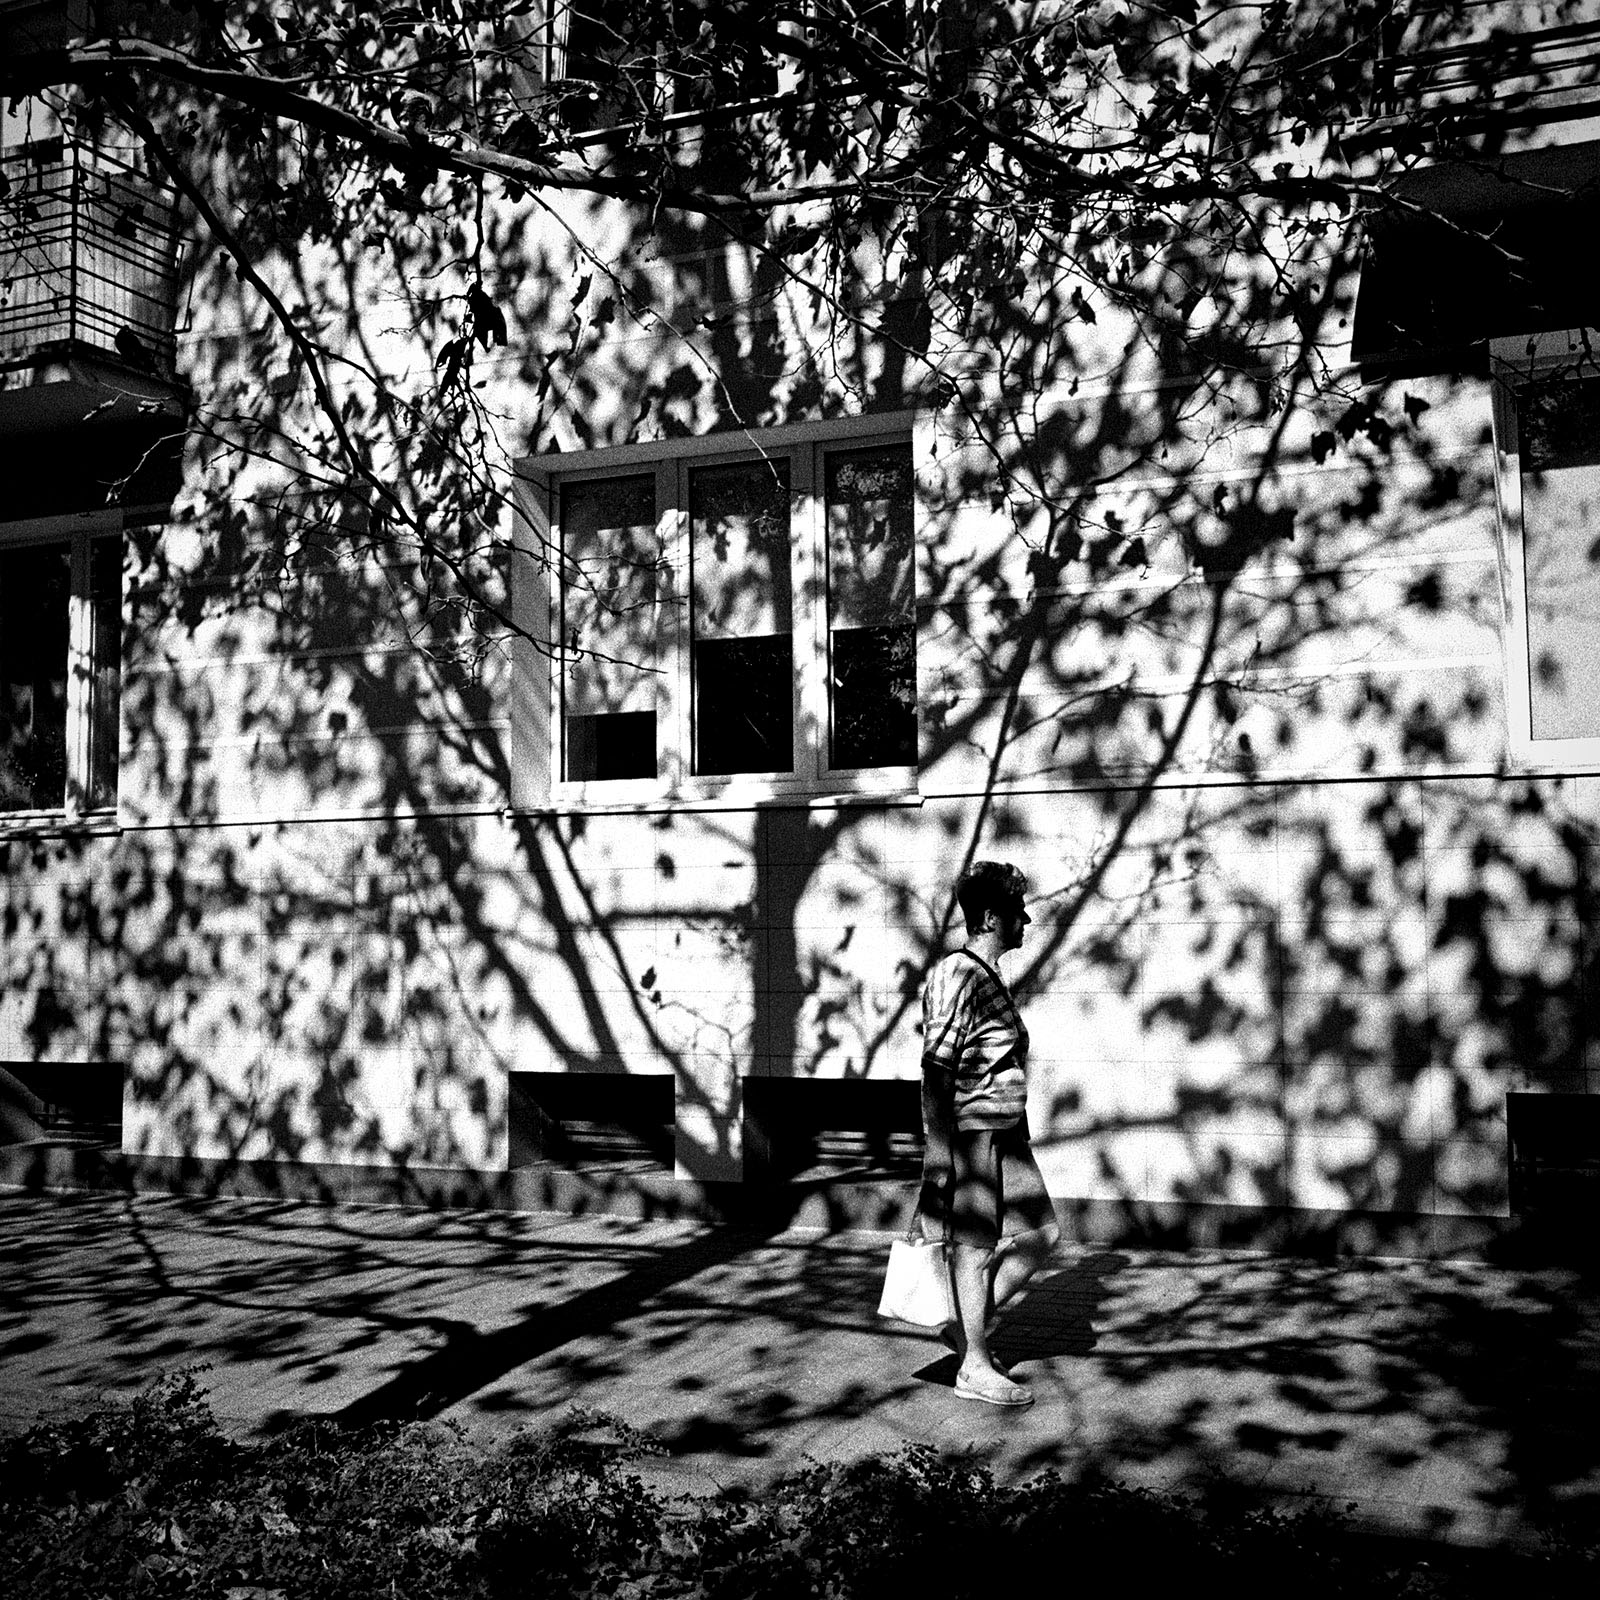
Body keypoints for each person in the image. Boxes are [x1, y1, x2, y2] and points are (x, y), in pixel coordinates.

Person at [917, 860, 1060, 1408]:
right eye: (1018, 911)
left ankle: (965, 1328)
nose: (1026, 920)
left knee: (1041, 1234)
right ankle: (974, 1365)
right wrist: (938, 1156)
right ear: (992, 917)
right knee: (974, 1249)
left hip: (1004, 1131)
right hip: (973, 1131)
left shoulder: (986, 974)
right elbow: (937, 1068)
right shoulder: (956, 973)